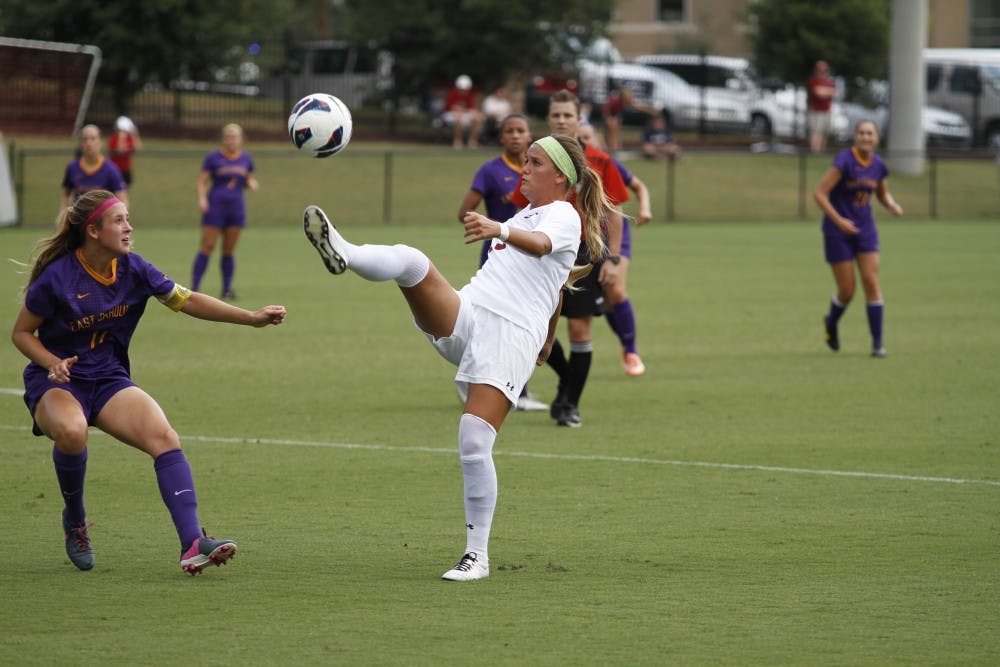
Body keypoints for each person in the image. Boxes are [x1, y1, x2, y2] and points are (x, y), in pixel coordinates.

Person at [303, 134, 611, 581]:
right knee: (412, 261)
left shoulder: (563, 214)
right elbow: (555, 286)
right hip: (469, 315)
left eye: (535, 162)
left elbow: (544, 248)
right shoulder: (525, 213)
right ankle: (343, 251)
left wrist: (498, 229)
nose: (524, 168)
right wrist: (550, 337)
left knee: (473, 439)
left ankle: (477, 556)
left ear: (559, 176)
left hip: (507, 337)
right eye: (525, 160)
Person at [10, 189, 287, 574]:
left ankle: (193, 543)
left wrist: (251, 317)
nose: (129, 227)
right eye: (119, 220)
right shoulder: (57, 278)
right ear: (93, 231)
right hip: (59, 382)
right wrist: (52, 362)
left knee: (165, 438)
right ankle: (75, 521)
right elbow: (21, 333)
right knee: (73, 433)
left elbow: (187, 300)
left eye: (128, 219)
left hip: (108, 380)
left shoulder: (134, 269)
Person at [511, 90, 630, 426]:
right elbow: (521, 203)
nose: (562, 120)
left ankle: (569, 404)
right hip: (541, 249)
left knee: (579, 329)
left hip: (584, 250)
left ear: (579, 119)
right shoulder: (538, 159)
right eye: (556, 115)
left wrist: (614, 258)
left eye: (568, 115)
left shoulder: (601, 161)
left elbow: (615, 213)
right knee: (534, 325)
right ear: (548, 120)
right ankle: (567, 378)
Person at [456, 113, 546, 412]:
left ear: (530, 133)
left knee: (522, 321)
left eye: (521, 130)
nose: (516, 136)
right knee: (493, 322)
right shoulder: (491, 170)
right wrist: (495, 220)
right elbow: (464, 212)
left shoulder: (540, 171)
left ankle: (515, 388)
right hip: (498, 256)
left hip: (532, 256)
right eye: (509, 131)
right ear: (501, 137)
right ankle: (480, 382)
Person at [813, 120, 902, 357]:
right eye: (861, 133)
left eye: (869, 133)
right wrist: (839, 221)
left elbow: (881, 193)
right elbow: (819, 193)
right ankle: (831, 323)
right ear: (855, 137)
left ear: (876, 138)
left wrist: (891, 204)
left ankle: (878, 344)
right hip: (837, 233)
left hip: (865, 230)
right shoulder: (844, 160)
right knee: (847, 291)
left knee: (871, 282)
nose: (865, 137)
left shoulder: (878, 165)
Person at [579, 122, 651, 376]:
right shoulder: (568, 166)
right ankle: (625, 342)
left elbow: (638, 186)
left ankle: (630, 350)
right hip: (586, 240)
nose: (583, 142)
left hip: (615, 237)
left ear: (597, 140)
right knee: (608, 299)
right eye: (579, 138)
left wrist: (645, 208)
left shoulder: (607, 163)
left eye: (587, 137)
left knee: (616, 289)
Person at [191, 123, 259, 300]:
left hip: (236, 208)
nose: (231, 140)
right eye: (228, 136)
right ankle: (195, 288)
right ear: (223, 139)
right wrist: (202, 199)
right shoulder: (213, 158)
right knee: (207, 246)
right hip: (215, 207)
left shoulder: (246, 159)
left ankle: (227, 289)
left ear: (241, 139)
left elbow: (247, 178)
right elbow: (202, 182)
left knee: (228, 250)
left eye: (234, 137)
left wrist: (251, 183)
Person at [60, 124, 128, 211]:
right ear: (80, 143)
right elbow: (66, 195)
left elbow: (123, 199)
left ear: (100, 142)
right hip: (79, 222)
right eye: (85, 139)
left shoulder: (111, 169)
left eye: (93, 139)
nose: (88, 143)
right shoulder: (72, 168)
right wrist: (63, 214)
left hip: (103, 223)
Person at [443, 75, 485, 150]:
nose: (463, 91)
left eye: (465, 89)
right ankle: (458, 141)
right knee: (458, 117)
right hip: (449, 114)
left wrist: (471, 112)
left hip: (463, 114)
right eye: (462, 89)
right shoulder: (452, 93)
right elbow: (453, 108)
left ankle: (472, 141)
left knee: (478, 118)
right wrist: (465, 110)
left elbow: (472, 109)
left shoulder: (469, 95)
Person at [807, 60, 837, 153]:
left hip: (826, 111)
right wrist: (827, 92)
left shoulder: (829, 82)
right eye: (820, 70)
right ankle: (815, 152)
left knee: (824, 133)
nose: (823, 72)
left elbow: (834, 92)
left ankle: (822, 152)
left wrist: (825, 91)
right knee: (816, 133)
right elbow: (818, 93)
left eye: (824, 70)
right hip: (816, 111)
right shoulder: (813, 81)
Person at [108, 116, 142, 187]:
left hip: (126, 169)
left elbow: (137, 148)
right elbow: (120, 150)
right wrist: (121, 138)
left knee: (125, 189)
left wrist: (135, 134)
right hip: (115, 169)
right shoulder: (113, 138)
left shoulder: (130, 138)